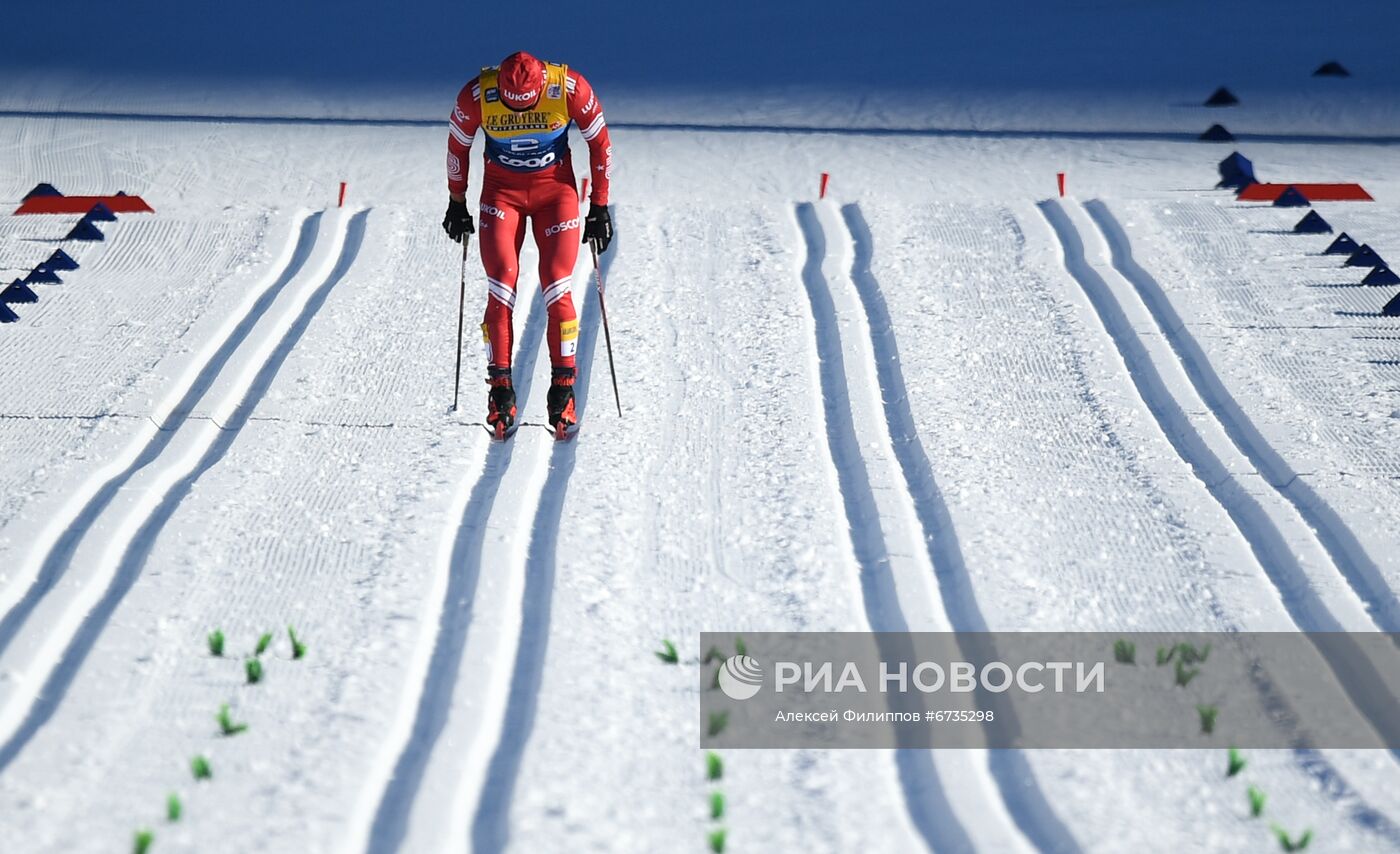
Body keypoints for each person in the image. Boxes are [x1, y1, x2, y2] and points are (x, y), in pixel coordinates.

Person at [442, 50, 614, 439]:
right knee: (501, 281)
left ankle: (562, 392)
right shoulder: (477, 94)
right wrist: (456, 201)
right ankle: (500, 393)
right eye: (511, 107)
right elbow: (457, 147)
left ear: (541, 88)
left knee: (556, 281)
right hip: (502, 194)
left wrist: (599, 206)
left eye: (527, 106)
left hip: (556, 193)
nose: (518, 113)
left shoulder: (568, 87)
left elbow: (600, 142)